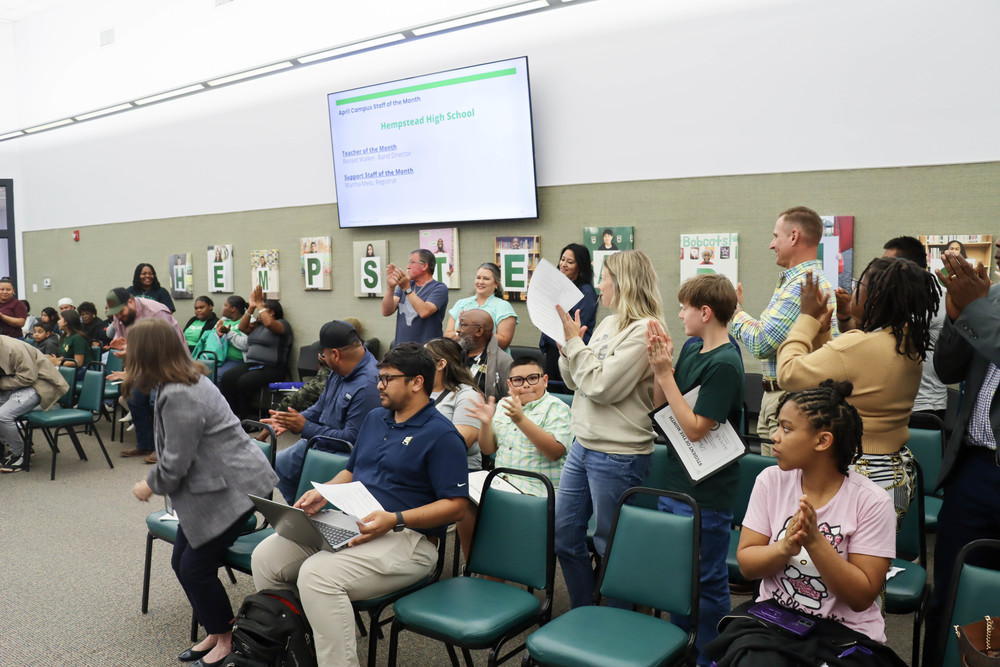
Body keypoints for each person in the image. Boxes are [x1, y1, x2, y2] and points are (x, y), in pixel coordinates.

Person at [250, 343, 468, 667]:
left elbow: (456, 506)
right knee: (266, 557)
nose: (379, 385)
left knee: (317, 576)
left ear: (417, 382)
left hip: (409, 539)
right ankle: (300, 650)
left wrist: (394, 519)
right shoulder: (376, 418)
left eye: (388, 379)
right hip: (353, 520)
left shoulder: (442, 435)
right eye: (379, 377)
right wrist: (325, 491)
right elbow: (352, 471)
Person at [708, 381, 898, 665]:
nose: (774, 437)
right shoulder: (771, 481)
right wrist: (784, 547)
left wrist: (815, 542)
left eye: (786, 428)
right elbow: (747, 565)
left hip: (844, 634)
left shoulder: (872, 501)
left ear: (822, 441)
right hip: (775, 620)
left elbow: (860, 598)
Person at [128, 318, 278, 667]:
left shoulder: (180, 392)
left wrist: (148, 485)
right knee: (182, 563)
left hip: (235, 489)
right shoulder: (182, 379)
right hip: (217, 485)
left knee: (195, 568)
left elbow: (175, 462)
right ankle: (216, 630)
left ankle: (226, 639)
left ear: (147, 354)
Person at [777, 259, 938, 522]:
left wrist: (806, 319)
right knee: (871, 548)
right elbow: (846, 376)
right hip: (893, 471)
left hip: (858, 470)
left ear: (876, 296)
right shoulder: (908, 341)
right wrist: (824, 334)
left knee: (832, 548)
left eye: (858, 285)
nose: (853, 290)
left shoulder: (859, 346)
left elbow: (788, 373)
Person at [554, 249, 664, 609]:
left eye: (604, 278)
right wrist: (566, 349)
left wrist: (575, 346)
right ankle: (584, 612)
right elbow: (577, 382)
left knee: (611, 546)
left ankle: (616, 622)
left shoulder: (645, 330)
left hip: (619, 454)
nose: (599, 286)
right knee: (564, 535)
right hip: (583, 444)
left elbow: (601, 387)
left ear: (622, 283)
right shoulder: (608, 324)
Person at [646, 274, 745, 665]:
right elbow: (663, 408)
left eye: (684, 308)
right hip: (677, 481)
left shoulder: (726, 363)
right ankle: (683, 651)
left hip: (707, 493)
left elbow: (695, 429)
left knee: (706, 582)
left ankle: (710, 657)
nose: (680, 315)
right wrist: (661, 370)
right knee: (678, 578)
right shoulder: (691, 348)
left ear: (705, 312)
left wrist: (665, 374)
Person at [923, 242, 1000, 666]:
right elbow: (947, 369)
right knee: (952, 592)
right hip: (975, 469)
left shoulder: (985, 302)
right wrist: (956, 315)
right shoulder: (991, 296)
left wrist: (976, 308)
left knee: (995, 605)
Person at [730, 206, 839, 452]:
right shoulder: (802, 282)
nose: (771, 245)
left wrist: (735, 313)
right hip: (784, 398)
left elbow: (761, 343)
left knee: (781, 475)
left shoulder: (802, 285)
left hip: (788, 400)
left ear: (793, 236)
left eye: (775, 236)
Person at [461, 355, 571, 558]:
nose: (526, 385)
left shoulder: (556, 408)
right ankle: (474, 565)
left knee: (495, 516)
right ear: (510, 384)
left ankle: (496, 569)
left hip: (537, 491)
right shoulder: (505, 406)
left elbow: (554, 452)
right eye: (519, 380)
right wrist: (485, 423)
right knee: (464, 505)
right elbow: (488, 449)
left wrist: (520, 419)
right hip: (502, 483)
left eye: (533, 378)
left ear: (545, 380)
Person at [267, 320, 380, 504]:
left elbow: (351, 438)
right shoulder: (339, 369)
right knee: (276, 464)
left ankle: (307, 508)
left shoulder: (368, 385)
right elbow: (321, 406)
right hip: (319, 440)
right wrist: (291, 420)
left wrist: (305, 427)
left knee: (310, 485)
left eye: (323, 354)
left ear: (335, 354)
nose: (322, 358)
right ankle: (301, 508)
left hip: (344, 454)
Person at [838, 236, 949, 421]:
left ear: (906, 267)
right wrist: (844, 315)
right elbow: (857, 328)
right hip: (883, 402)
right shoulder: (887, 295)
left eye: (887, 263)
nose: (881, 268)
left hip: (922, 406)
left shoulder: (935, 297)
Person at [106, 287, 186, 464]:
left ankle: (165, 448)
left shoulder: (156, 312)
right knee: (133, 396)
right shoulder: (120, 316)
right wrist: (124, 349)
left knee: (157, 401)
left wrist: (132, 349)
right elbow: (126, 343)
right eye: (115, 313)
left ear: (130, 302)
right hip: (145, 367)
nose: (118, 316)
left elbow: (166, 347)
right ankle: (146, 444)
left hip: (170, 364)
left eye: (120, 311)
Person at [219, 285, 292, 419]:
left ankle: (247, 418)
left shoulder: (282, 324)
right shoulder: (257, 327)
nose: (259, 313)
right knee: (227, 378)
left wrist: (259, 303)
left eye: (262, 310)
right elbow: (241, 327)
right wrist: (251, 307)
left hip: (273, 368)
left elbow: (270, 324)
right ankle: (233, 414)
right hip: (253, 365)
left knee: (244, 382)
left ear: (271, 313)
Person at [0, 334, 70, 472]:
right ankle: (13, 445)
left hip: (39, 384)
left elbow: (28, 377)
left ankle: (19, 454)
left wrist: (1, 384)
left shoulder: (13, 348)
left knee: (3, 416)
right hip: (15, 383)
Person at [539, 243, 598, 383]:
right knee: (552, 389)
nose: (563, 264)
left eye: (570, 262)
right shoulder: (558, 288)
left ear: (580, 266)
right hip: (552, 349)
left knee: (569, 390)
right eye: (562, 259)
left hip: (572, 352)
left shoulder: (586, 292)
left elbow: (575, 326)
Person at [424, 337, 485, 472]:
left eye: (424, 358)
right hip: (421, 466)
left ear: (441, 364)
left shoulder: (468, 396)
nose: (418, 362)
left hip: (456, 471)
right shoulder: (419, 391)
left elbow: (458, 445)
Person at [381, 248, 448, 346]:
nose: (408, 267)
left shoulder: (439, 288)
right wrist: (391, 287)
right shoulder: (406, 285)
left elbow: (424, 311)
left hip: (427, 349)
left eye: (412, 262)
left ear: (424, 266)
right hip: (402, 348)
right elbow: (386, 311)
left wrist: (406, 288)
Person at [444, 262, 517, 350]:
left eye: (486, 279)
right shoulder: (461, 304)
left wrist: (471, 331)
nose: (480, 282)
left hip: (491, 357)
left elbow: (504, 342)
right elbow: (448, 336)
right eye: (478, 278)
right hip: (460, 357)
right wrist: (462, 331)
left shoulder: (503, 306)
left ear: (496, 284)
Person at [455, 308, 511, 400]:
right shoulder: (453, 354)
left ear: (479, 331)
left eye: (463, 325)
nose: (457, 330)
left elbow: (510, 398)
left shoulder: (503, 361)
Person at [48, 309, 96, 381]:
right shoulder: (65, 336)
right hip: (71, 369)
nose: (58, 322)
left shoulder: (78, 338)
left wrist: (57, 363)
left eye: (60, 319)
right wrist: (54, 360)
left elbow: (78, 363)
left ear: (66, 322)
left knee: (48, 375)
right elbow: (67, 356)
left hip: (83, 371)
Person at [213, 295, 248, 382]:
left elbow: (245, 345)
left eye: (225, 305)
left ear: (233, 309)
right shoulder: (223, 321)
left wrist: (228, 333)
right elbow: (211, 340)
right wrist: (218, 334)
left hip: (237, 360)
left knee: (216, 376)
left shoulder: (246, 322)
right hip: (219, 359)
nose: (223, 307)